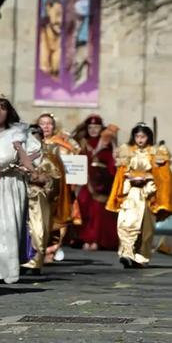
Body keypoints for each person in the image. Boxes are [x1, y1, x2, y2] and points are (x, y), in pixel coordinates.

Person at [0, 95, 39, 284]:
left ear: (9, 112)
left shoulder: (18, 131)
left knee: (9, 225)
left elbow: (37, 151)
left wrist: (23, 165)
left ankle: (8, 271)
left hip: (10, 183)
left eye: (2, 108)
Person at [106, 123, 172, 268]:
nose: (140, 139)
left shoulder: (155, 152)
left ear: (148, 137)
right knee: (126, 223)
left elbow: (162, 176)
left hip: (147, 194)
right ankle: (127, 253)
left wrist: (147, 178)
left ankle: (140, 257)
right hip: (130, 193)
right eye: (137, 136)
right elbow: (120, 174)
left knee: (145, 228)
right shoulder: (128, 151)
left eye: (143, 136)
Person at [21, 124, 64, 274]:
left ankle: (35, 262)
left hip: (39, 197)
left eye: (36, 135)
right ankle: (20, 260)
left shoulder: (48, 157)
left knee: (38, 230)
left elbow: (56, 178)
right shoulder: (20, 155)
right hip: (21, 195)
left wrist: (44, 180)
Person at [74, 115, 119, 251]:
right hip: (84, 183)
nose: (93, 130)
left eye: (96, 127)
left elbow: (112, 162)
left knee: (99, 212)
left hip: (102, 184)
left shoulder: (107, 142)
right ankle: (85, 239)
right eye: (90, 127)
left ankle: (97, 240)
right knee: (84, 208)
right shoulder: (82, 143)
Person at [36, 113, 77, 262]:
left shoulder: (62, 144)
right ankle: (39, 249)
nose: (46, 126)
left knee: (57, 219)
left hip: (58, 188)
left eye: (49, 123)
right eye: (42, 123)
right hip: (37, 187)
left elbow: (74, 161)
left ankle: (53, 248)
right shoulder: (32, 142)